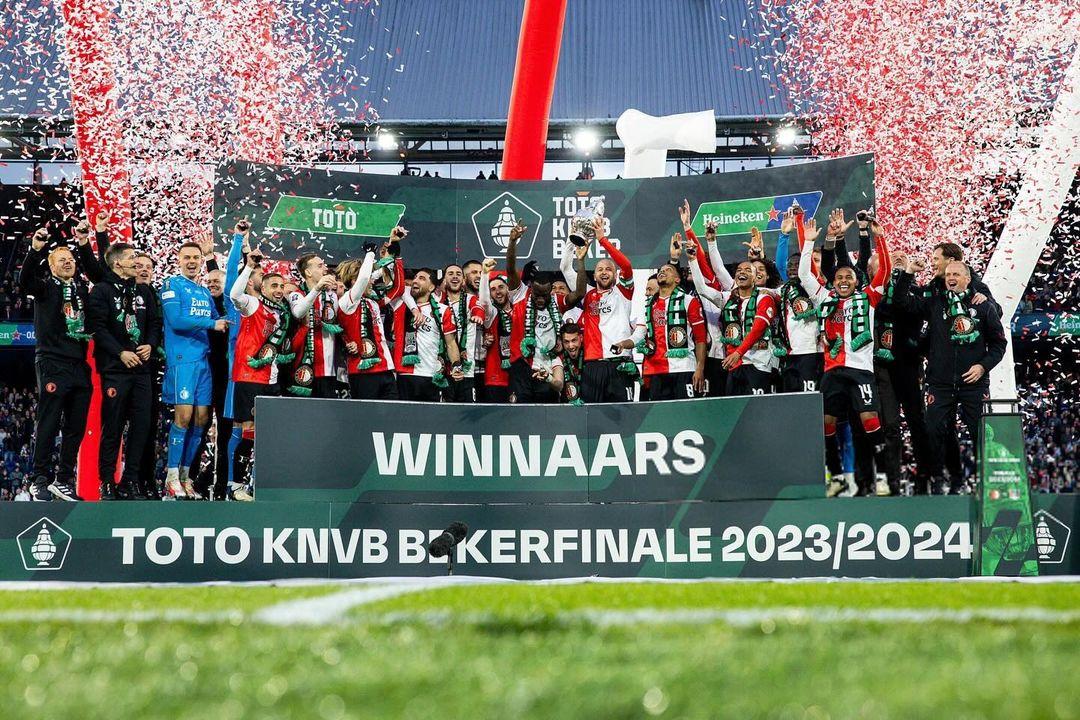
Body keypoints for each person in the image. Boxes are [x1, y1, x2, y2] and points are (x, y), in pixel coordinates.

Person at [798, 215, 892, 497]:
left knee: (870, 420)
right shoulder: (824, 298)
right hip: (832, 371)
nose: (842, 281)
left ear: (856, 281)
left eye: (848, 277)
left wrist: (880, 237)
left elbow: (884, 272)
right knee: (825, 424)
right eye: (838, 277)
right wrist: (808, 243)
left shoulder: (869, 298)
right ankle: (837, 476)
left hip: (860, 371)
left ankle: (883, 476)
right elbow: (805, 275)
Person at [894, 259, 1007, 494]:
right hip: (940, 383)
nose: (951, 278)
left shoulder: (984, 306)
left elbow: (999, 344)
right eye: (948, 275)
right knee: (933, 430)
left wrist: (982, 367)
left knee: (980, 432)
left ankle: (986, 481)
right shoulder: (936, 303)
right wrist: (908, 273)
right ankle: (939, 478)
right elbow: (902, 302)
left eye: (956, 274)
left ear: (968, 279)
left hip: (973, 384)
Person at [18, 224, 102, 501]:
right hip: (52, 361)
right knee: (49, 421)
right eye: (61, 260)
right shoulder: (45, 288)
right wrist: (35, 249)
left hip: (79, 364)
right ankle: (39, 478)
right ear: (51, 266)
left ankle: (63, 479)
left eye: (71, 259)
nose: (68, 262)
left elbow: (99, 275)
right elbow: (25, 280)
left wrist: (84, 244)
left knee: (76, 425)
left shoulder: (81, 290)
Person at [86, 242, 163, 500]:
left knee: (141, 426)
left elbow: (154, 323)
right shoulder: (102, 291)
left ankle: (130, 480)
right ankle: (107, 481)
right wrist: (120, 352)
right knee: (113, 426)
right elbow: (96, 327)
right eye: (132, 257)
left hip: (142, 370)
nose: (137, 262)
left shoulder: (143, 291)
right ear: (118, 263)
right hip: (115, 369)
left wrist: (150, 344)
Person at [160, 241, 227, 499]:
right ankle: (171, 477)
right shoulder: (172, 285)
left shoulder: (203, 292)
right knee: (184, 417)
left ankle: (185, 476)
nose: (191, 262)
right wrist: (211, 324)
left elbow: (219, 316)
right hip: (182, 360)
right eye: (187, 257)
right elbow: (176, 321)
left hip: (203, 362)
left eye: (196, 258)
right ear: (179, 260)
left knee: (201, 420)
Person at [226, 250, 290, 501]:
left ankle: (255, 485)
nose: (279, 290)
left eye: (281, 286)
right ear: (261, 287)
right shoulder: (253, 305)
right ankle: (235, 485)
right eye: (273, 285)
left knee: (268, 434)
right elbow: (234, 294)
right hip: (250, 377)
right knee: (248, 431)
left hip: (272, 379)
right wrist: (249, 266)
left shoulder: (281, 314)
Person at [559, 215, 636, 403]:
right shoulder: (587, 293)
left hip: (620, 363)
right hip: (593, 366)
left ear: (615, 275)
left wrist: (602, 239)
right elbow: (565, 268)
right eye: (600, 269)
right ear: (594, 275)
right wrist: (571, 241)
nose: (604, 272)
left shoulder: (623, 292)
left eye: (608, 269)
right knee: (593, 416)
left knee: (624, 415)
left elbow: (626, 265)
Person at [508, 223, 587, 403]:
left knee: (547, 412)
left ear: (551, 290)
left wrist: (581, 262)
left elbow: (580, 293)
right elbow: (511, 270)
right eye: (536, 294)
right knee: (519, 413)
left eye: (544, 295)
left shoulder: (557, 301)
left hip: (547, 367)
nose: (540, 299)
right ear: (531, 288)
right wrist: (512, 242)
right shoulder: (520, 295)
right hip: (522, 366)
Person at [632, 257, 708, 400]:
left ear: (677, 279)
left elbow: (701, 338)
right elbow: (639, 334)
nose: (662, 271)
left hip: (684, 368)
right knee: (660, 413)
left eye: (668, 270)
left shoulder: (689, 301)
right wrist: (623, 344)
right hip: (656, 370)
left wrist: (700, 368)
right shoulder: (648, 306)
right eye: (661, 270)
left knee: (686, 411)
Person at [392, 268, 465, 401]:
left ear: (431, 287)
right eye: (415, 277)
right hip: (404, 374)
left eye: (422, 278)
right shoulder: (400, 304)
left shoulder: (443, 310)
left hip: (431, 374)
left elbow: (450, 343)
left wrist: (456, 366)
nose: (415, 280)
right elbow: (399, 287)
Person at [338, 249, 402, 399]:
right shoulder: (347, 302)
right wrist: (370, 253)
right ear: (354, 281)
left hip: (386, 368)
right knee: (367, 413)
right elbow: (364, 278)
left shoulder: (373, 303)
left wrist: (394, 255)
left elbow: (397, 289)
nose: (372, 281)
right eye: (369, 278)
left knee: (393, 412)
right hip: (362, 372)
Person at [133, 250, 165, 500]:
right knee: (118, 427)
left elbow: (157, 326)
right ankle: (120, 481)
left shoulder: (157, 296)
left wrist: (153, 347)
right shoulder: (122, 293)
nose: (144, 270)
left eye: (148, 267)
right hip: (121, 369)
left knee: (148, 428)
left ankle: (145, 481)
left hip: (150, 369)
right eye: (138, 266)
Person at [288, 253, 341, 398]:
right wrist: (317, 288)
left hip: (328, 370)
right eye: (320, 265)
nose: (325, 268)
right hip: (303, 369)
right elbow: (299, 312)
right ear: (308, 272)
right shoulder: (296, 294)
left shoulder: (331, 296)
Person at [438, 262, 485, 402]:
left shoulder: (470, 299)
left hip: (466, 369)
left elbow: (478, 308)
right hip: (442, 368)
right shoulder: (437, 302)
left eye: (458, 274)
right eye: (450, 274)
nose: (455, 277)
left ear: (463, 280)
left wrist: (478, 316)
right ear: (444, 280)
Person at [556, 322, 584, 404]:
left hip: (589, 405)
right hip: (565, 407)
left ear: (581, 338)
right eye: (566, 342)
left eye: (574, 340)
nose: (571, 346)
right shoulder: (559, 359)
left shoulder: (590, 358)